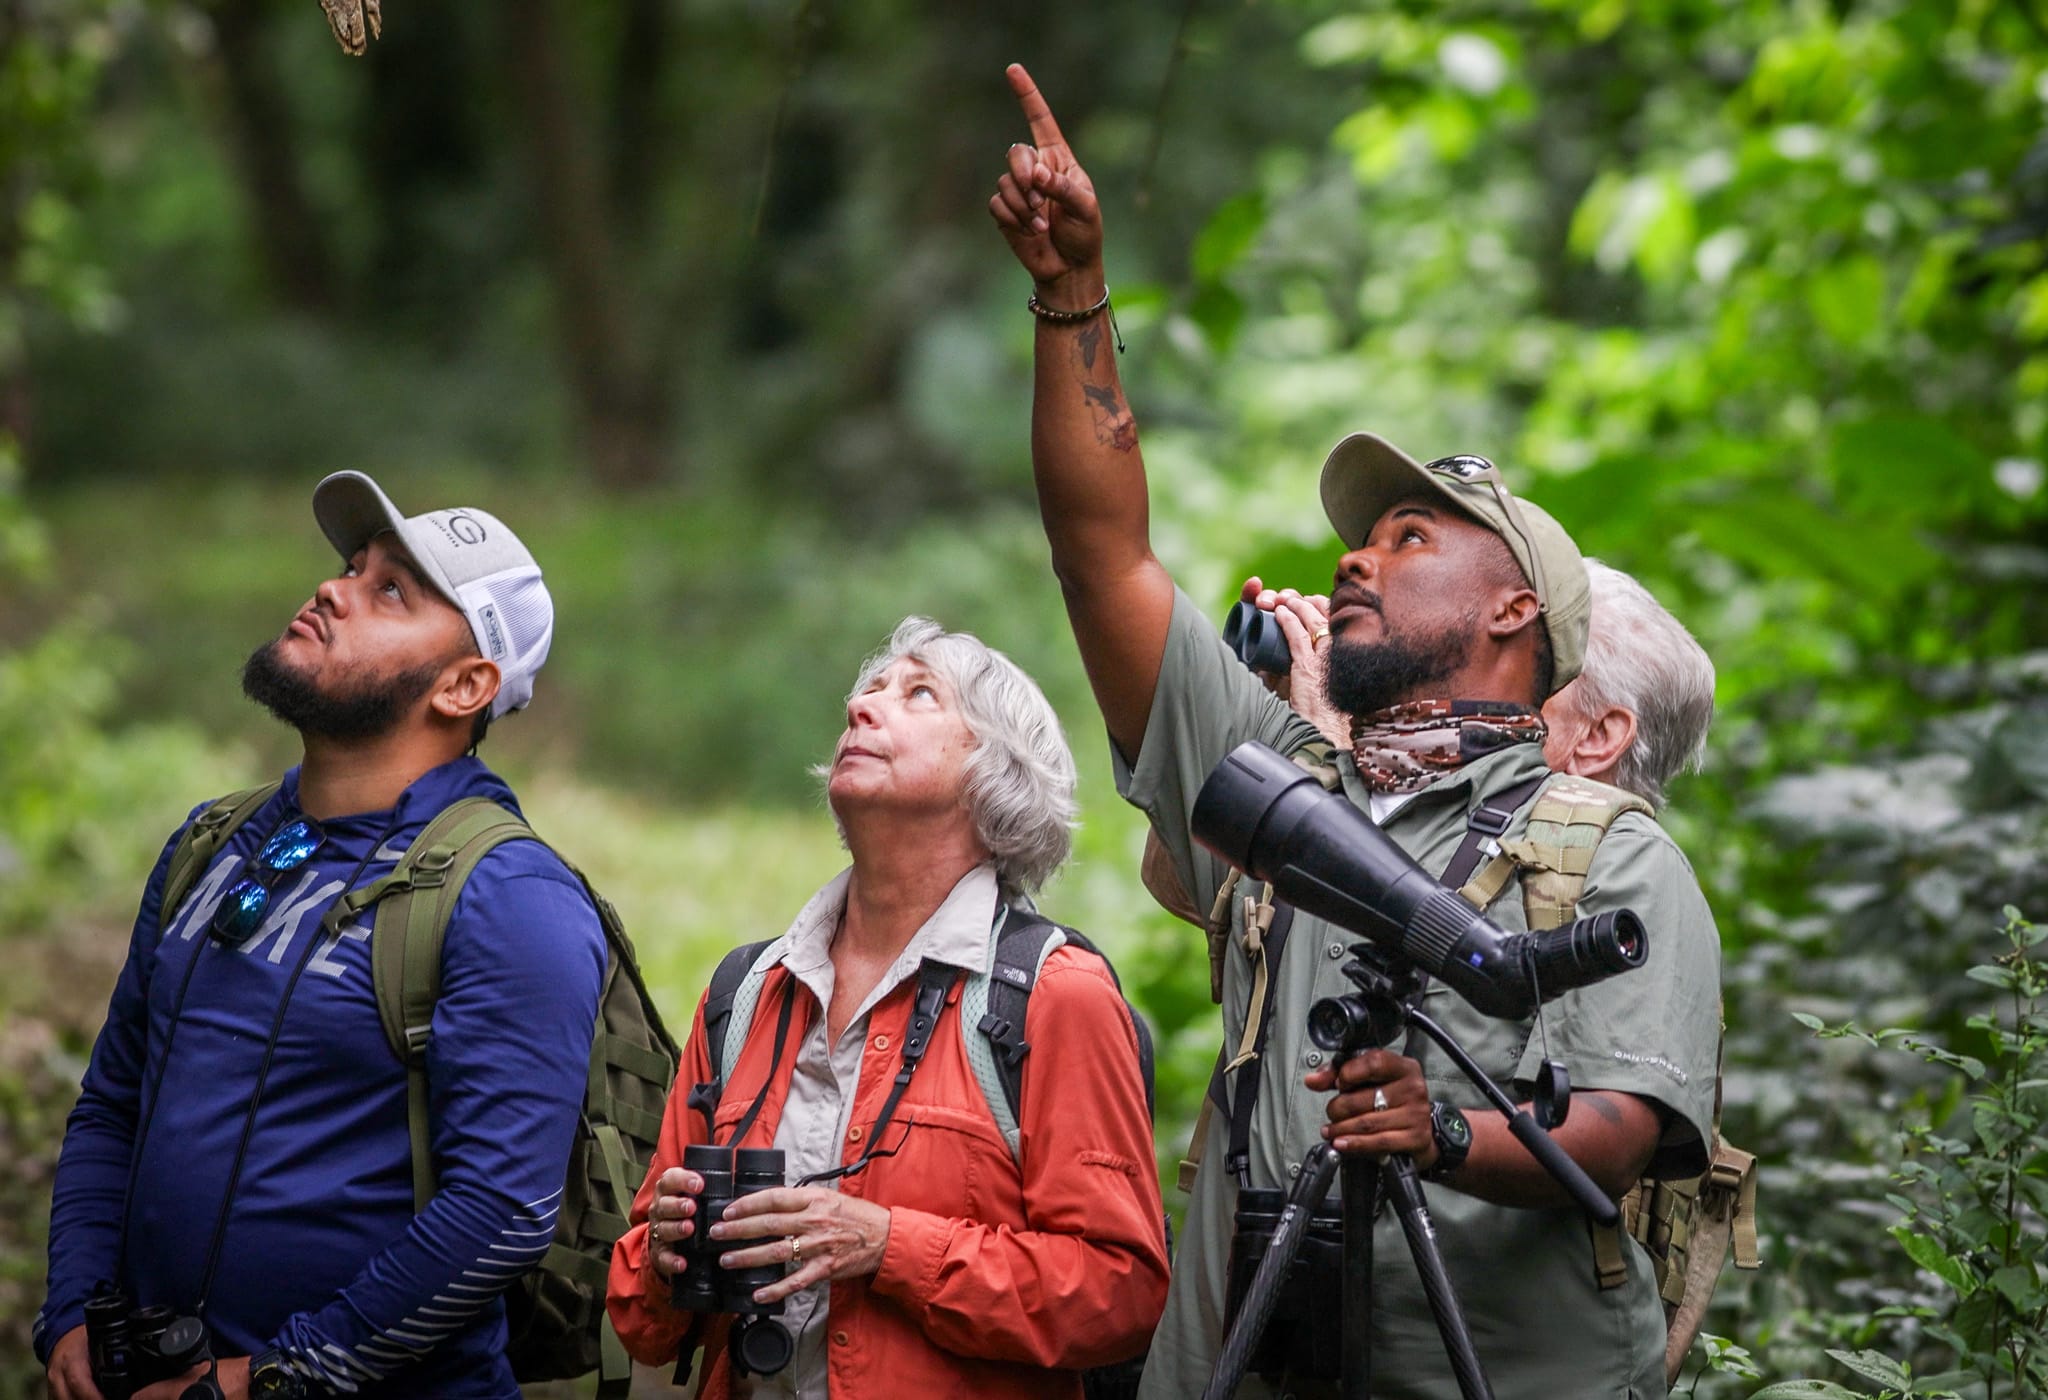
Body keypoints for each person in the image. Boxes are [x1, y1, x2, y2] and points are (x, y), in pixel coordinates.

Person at [991, 63, 1723, 1400]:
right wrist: (1071, 297)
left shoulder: (1605, 853)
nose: (1355, 560)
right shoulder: (1276, 792)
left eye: (1408, 535)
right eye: (1357, 537)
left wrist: (1440, 1135)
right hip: (1266, 1355)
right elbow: (1101, 550)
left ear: (1516, 605)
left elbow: (1616, 1133)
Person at [37, 474, 607, 1400]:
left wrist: (264, 1380)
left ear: (466, 685)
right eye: (350, 566)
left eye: (391, 591)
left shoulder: (512, 898)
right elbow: (112, 1102)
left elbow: (501, 1211)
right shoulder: (210, 842)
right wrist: (71, 1310)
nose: (332, 590)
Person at [606, 617, 1170, 1398]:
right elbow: (639, 1320)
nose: (862, 710)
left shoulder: (1054, 994)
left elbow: (1123, 1293)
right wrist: (667, 1254)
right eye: (866, 693)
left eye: (918, 694)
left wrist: (889, 1246)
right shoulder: (744, 994)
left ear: (996, 772)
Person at [1243, 558, 1714, 806]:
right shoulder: (1432, 804)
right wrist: (1265, 723)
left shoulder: (1606, 886)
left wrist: (1334, 756)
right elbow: (1194, 888)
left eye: (1521, 665)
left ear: (1596, 738)